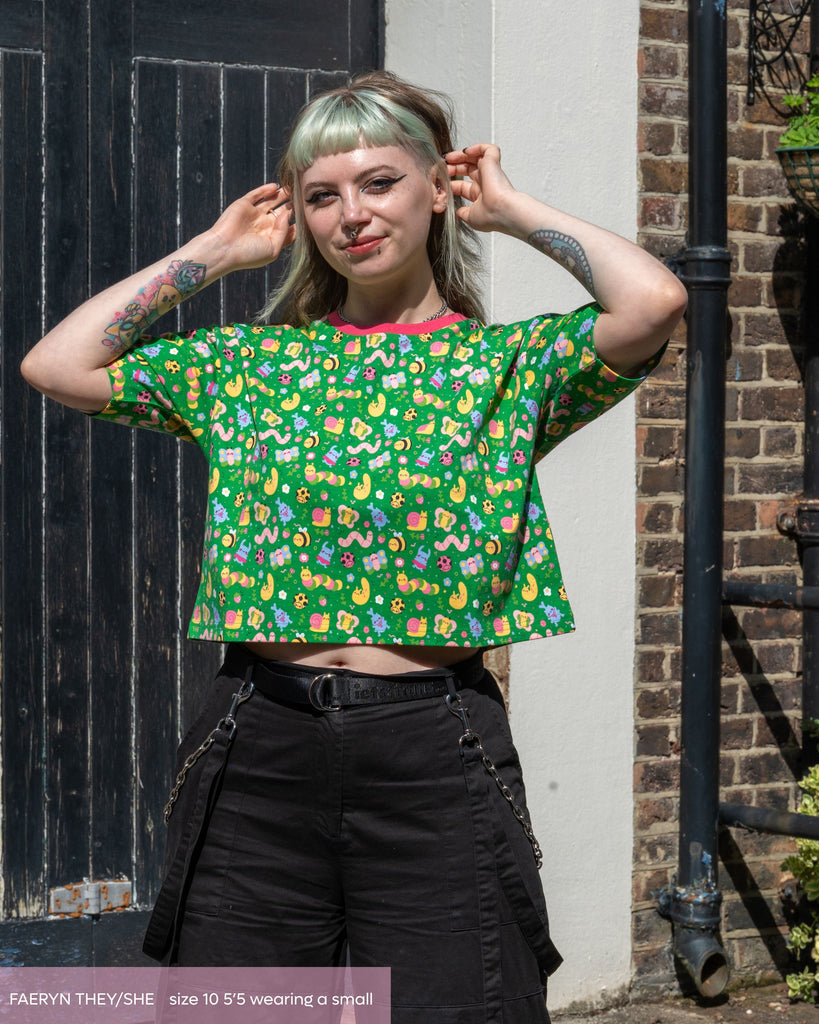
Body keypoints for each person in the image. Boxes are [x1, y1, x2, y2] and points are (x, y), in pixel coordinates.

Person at [21, 70, 686, 1024]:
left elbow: (654, 301)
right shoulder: (251, 363)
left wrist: (508, 210)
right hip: (258, 742)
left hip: (430, 748)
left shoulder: (503, 365)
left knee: (458, 1006)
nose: (352, 215)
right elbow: (58, 363)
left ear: (434, 190)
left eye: (379, 182)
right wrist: (211, 254)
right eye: (322, 194)